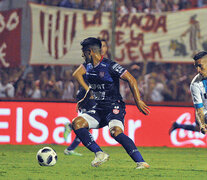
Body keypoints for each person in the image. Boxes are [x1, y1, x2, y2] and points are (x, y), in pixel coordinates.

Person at [71, 37, 150, 169]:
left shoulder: (110, 66)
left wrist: (138, 101)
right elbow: (93, 86)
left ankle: (141, 162)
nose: (82, 55)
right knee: (77, 123)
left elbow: (131, 80)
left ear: (90, 51)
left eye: (83, 52)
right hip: (99, 108)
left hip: (114, 106)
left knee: (115, 132)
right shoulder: (89, 67)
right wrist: (85, 98)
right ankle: (99, 153)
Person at [63, 38, 109, 156]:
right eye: (101, 46)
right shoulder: (90, 62)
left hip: (94, 96)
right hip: (86, 96)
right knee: (85, 124)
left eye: (104, 46)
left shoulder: (103, 63)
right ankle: (70, 143)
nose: (102, 48)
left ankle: (70, 149)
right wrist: (90, 90)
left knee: (86, 126)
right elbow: (76, 74)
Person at [169, 51, 207, 134]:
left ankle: (177, 125)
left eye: (200, 66)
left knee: (197, 128)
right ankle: (177, 126)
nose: (198, 70)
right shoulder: (195, 84)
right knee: (199, 128)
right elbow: (199, 107)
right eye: (196, 67)